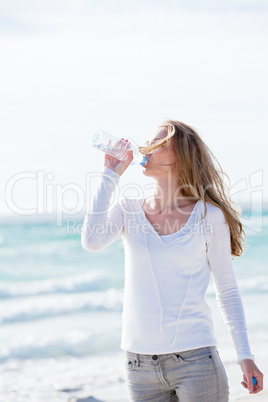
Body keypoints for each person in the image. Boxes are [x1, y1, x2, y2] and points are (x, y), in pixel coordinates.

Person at [81, 119, 263, 401]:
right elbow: (91, 241)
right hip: (138, 366)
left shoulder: (208, 216)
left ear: (181, 155)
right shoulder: (128, 209)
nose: (146, 148)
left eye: (158, 143)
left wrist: (245, 356)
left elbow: (227, 291)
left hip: (196, 362)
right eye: (147, 142)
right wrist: (109, 175)